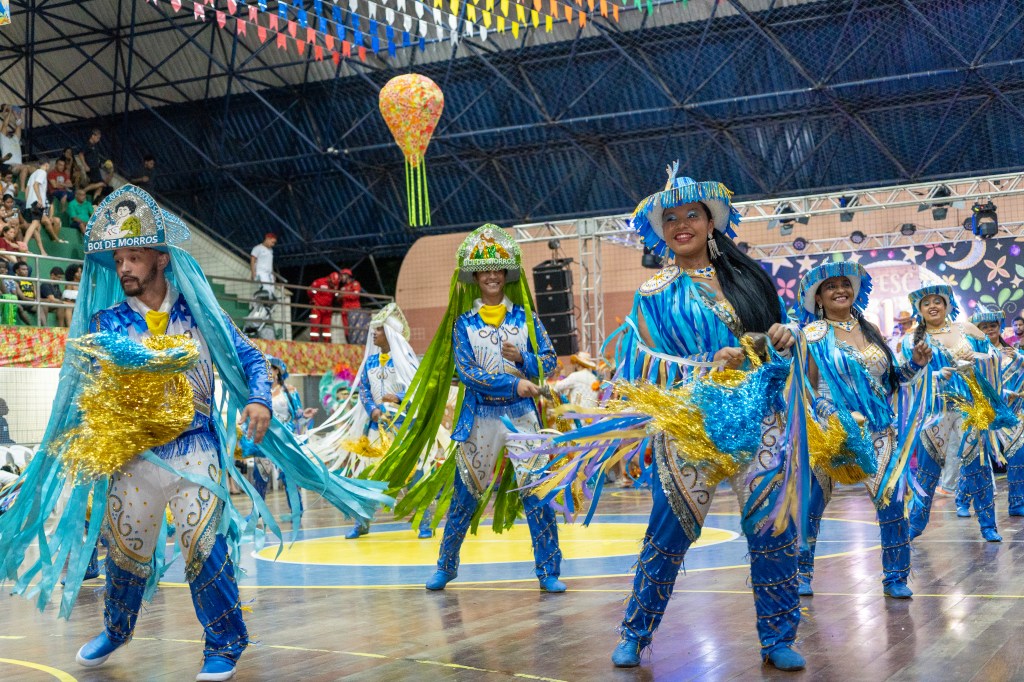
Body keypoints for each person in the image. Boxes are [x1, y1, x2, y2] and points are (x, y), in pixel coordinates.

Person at [0, 185, 391, 682]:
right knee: (124, 554)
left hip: (195, 450)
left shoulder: (201, 317)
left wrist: (256, 398)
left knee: (205, 545)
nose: (124, 268)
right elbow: (88, 390)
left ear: (161, 258)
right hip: (134, 459)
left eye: (134, 257)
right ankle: (117, 630)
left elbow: (251, 357)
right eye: (119, 258)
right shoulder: (106, 323)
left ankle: (225, 643)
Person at [373, 224, 565, 594]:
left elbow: (550, 361)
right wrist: (514, 382)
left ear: (506, 274)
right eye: (485, 269)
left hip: (523, 418)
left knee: (538, 492)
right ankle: (446, 565)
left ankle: (548, 570)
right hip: (480, 419)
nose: (492, 275)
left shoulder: (525, 318)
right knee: (465, 493)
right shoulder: (463, 324)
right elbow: (467, 373)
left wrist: (524, 359)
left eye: (498, 269)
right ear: (475, 276)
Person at [795, 262, 930, 600]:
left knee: (891, 501)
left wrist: (915, 363)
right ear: (819, 298)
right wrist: (832, 416)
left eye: (845, 284)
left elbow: (890, 381)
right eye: (831, 287)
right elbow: (806, 389)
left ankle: (896, 576)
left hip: (878, 430)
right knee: (812, 502)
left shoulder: (870, 330)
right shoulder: (812, 336)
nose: (840, 290)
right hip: (830, 430)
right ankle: (801, 573)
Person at [903, 285, 1016, 543]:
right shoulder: (911, 339)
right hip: (933, 412)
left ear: (947, 305)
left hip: (969, 408)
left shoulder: (967, 330)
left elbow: (996, 357)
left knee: (977, 468)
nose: (933, 306)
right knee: (928, 472)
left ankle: (988, 526)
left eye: (938, 301)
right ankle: (916, 525)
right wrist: (932, 375)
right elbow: (904, 375)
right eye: (926, 303)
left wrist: (979, 358)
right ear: (919, 309)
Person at [969, 306, 1024, 515]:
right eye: (984, 327)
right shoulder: (974, 354)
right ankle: (962, 501)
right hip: (984, 412)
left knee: (1019, 454)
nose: (990, 329)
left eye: (993, 325)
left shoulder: (1013, 352)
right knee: (976, 459)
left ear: (1000, 327)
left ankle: (1017, 502)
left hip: (1011, 414)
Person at [247, 356, 318, 513]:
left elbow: (297, 413)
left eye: (268, 369)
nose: (265, 373)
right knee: (260, 476)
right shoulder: (259, 393)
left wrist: (304, 413)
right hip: (265, 439)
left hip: (285, 438)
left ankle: (296, 510)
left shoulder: (290, 391)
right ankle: (256, 514)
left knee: (289, 475)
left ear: (277, 370)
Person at [308, 271, 340, 343]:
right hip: (317, 308)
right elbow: (310, 290)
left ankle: (327, 342)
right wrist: (313, 300)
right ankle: (313, 341)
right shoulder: (319, 282)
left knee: (327, 328)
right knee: (315, 325)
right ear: (329, 279)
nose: (333, 285)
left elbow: (335, 295)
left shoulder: (335, 285)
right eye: (332, 283)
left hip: (327, 309)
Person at [77, 128, 108, 200]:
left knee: (100, 187)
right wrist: (85, 165)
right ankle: (82, 191)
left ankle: (95, 201)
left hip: (96, 167)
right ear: (93, 136)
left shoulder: (95, 146)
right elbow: (80, 154)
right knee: (102, 183)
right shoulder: (87, 145)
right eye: (97, 137)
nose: (98, 139)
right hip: (91, 168)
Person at [339, 269, 365, 343]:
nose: (341, 278)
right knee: (346, 331)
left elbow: (355, 296)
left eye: (343, 275)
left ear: (347, 276)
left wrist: (344, 295)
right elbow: (339, 299)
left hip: (354, 310)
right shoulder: (342, 288)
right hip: (345, 311)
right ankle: (349, 345)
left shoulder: (355, 284)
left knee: (355, 330)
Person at [12, 260, 36, 325]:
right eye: (23, 269)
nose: (26, 271)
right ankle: (31, 326)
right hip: (21, 302)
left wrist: (36, 300)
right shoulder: (14, 281)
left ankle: (43, 327)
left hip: (31, 302)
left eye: (27, 269)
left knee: (42, 306)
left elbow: (36, 295)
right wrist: (35, 300)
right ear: (17, 271)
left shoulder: (31, 281)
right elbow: (22, 297)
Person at [60, 263, 82, 327]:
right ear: (73, 273)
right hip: (71, 303)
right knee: (68, 307)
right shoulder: (70, 284)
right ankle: (70, 327)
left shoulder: (82, 285)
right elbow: (67, 298)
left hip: (80, 304)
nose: (80, 274)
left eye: (81, 272)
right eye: (78, 272)